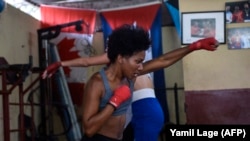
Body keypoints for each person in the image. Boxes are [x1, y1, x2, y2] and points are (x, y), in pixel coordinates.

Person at [42, 24, 219, 141]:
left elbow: (163, 61)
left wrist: (194, 47)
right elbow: (88, 129)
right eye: (137, 61)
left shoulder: (131, 75)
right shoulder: (97, 83)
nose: (140, 66)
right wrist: (114, 102)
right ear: (120, 58)